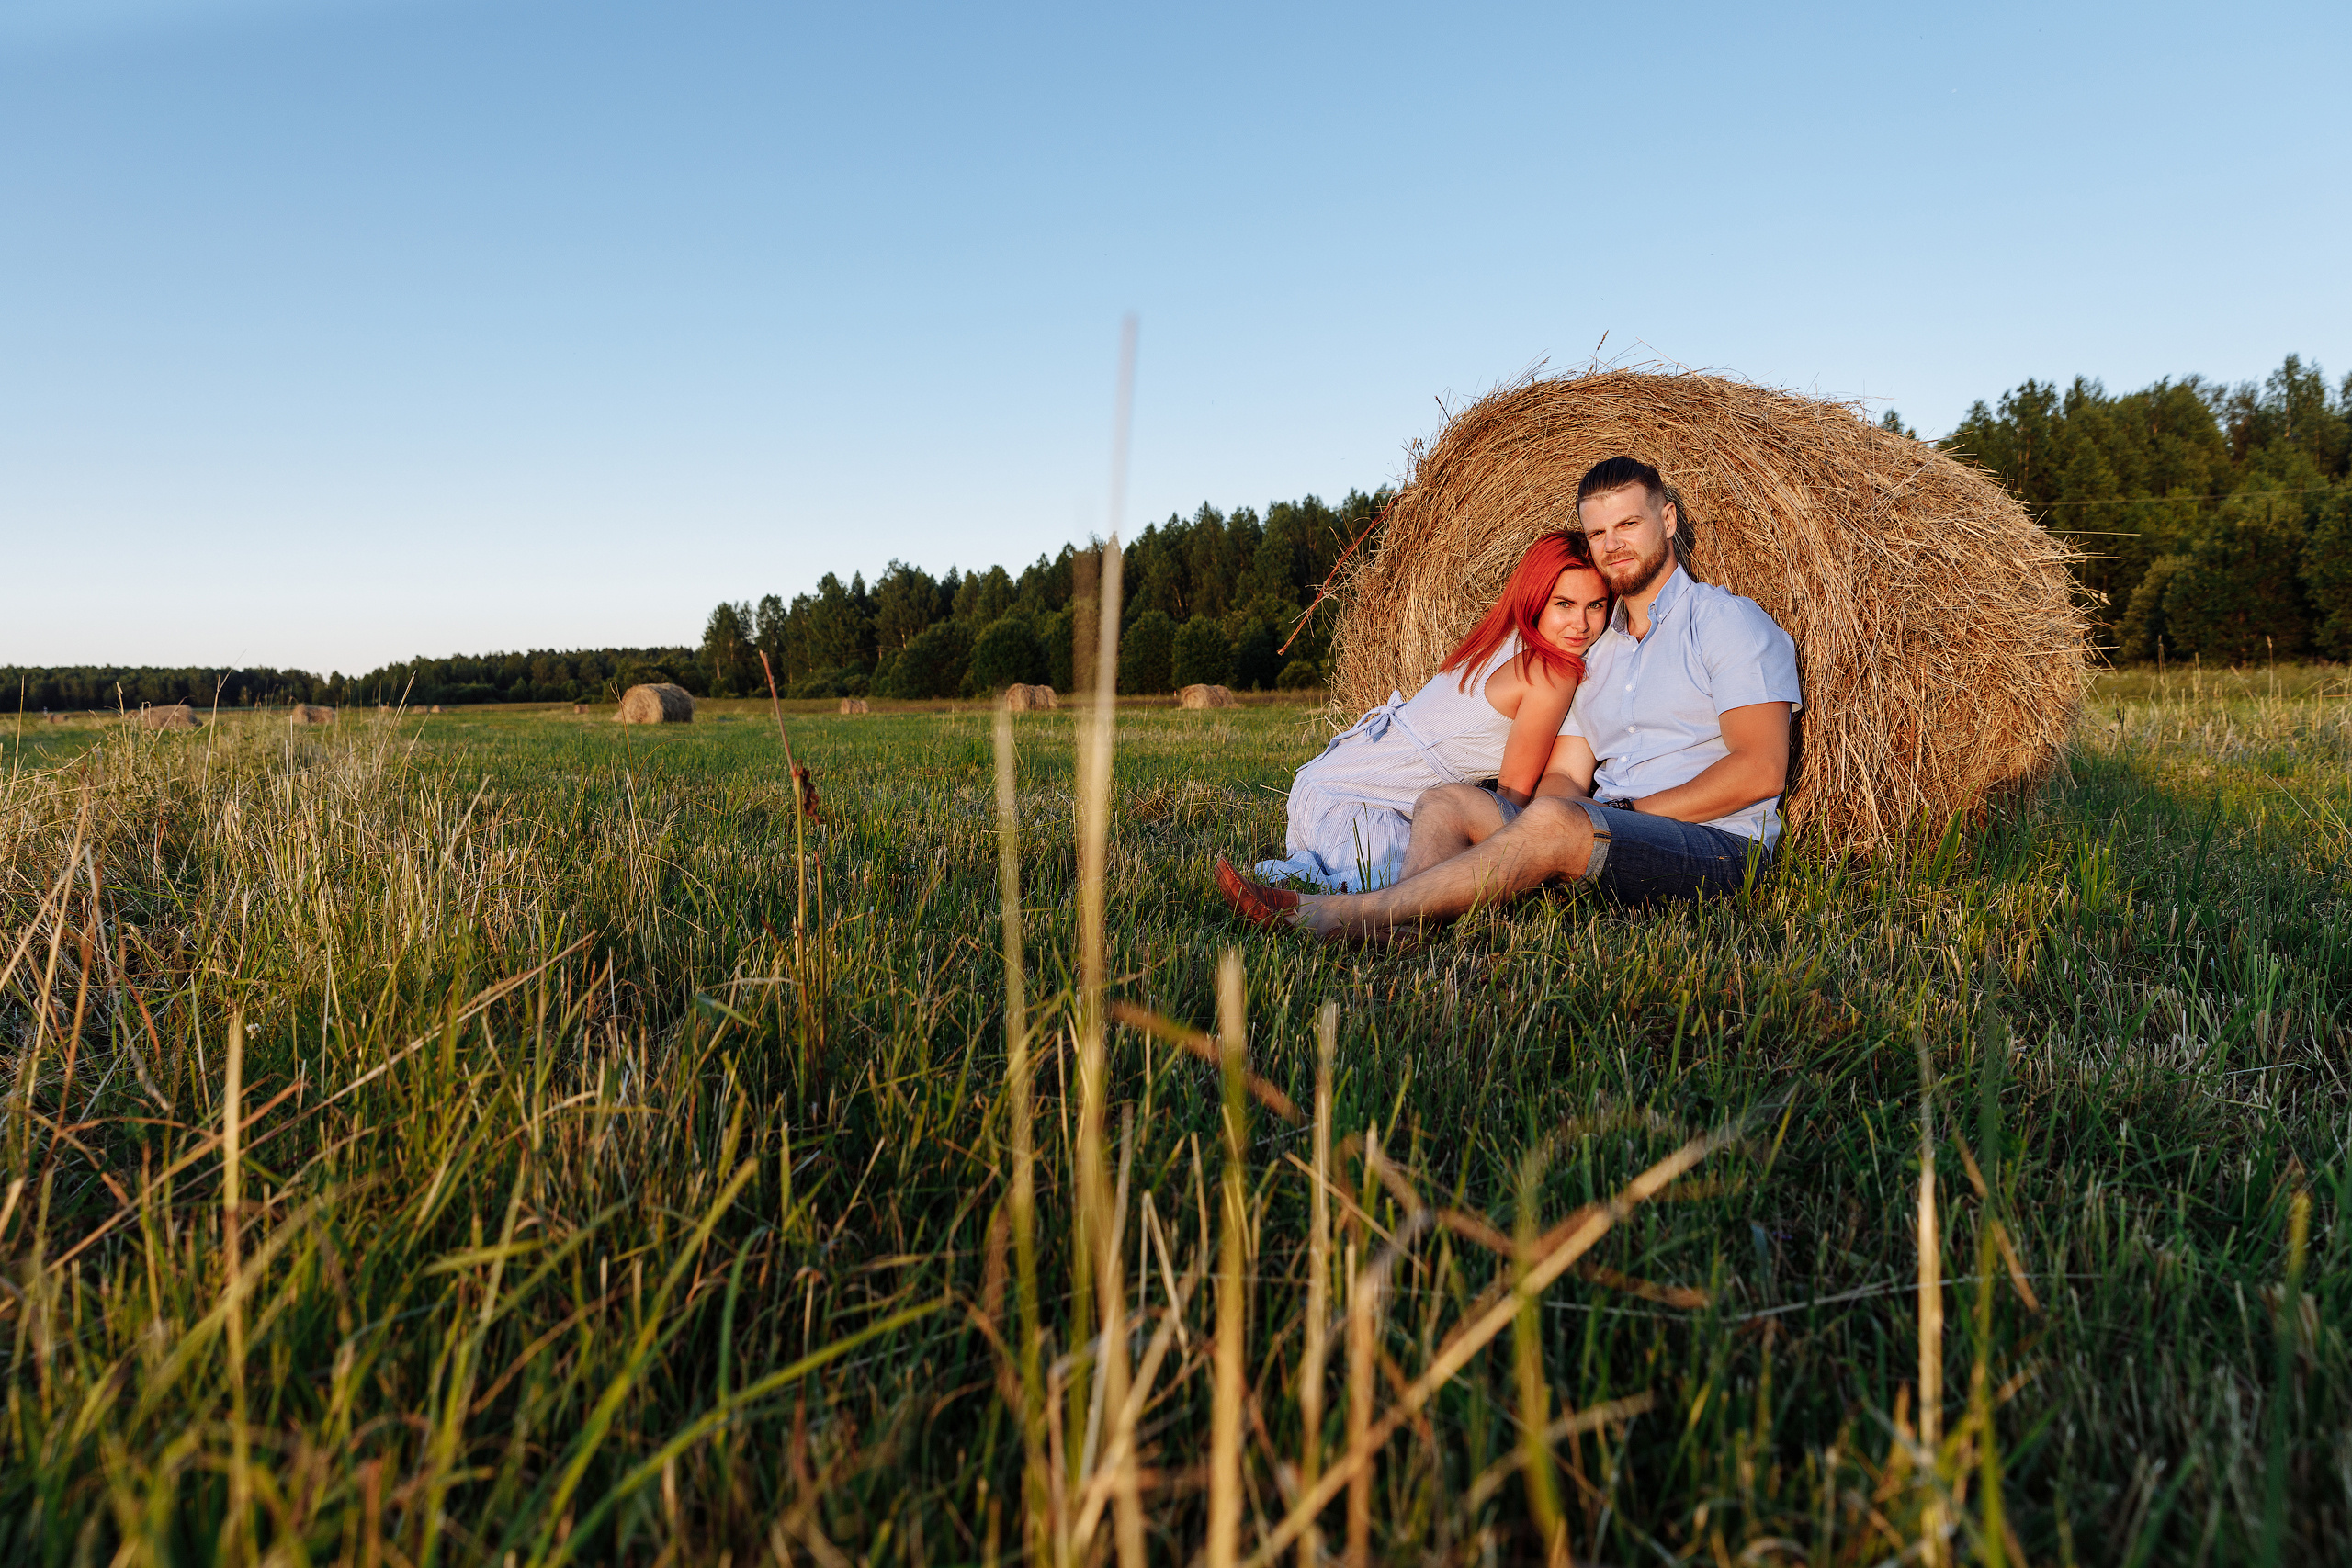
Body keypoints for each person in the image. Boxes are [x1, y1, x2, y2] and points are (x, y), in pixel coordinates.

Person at [1216, 455, 1800, 938]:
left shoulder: (1726, 622)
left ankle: (1346, 919)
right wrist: (1561, 813)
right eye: (1598, 533)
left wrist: (1611, 816)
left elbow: (1761, 770)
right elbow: (1566, 776)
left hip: (1719, 849)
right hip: (1604, 832)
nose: (1612, 544)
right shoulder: (1599, 655)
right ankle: (1412, 924)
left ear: (1668, 520)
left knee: (1553, 822)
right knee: (1448, 801)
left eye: (1628, 524)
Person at [1243, 531, 1611, 893]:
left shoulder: (1504, 637)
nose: (1580, 624)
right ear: (1535, 599)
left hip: (1317, 790)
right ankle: (1309, 887)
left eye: (1595, 605)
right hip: (1357, 808)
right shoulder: (1551, 674)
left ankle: (1303, 871)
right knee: (1418, 891)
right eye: (1563, 604)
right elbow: (1512, 799)